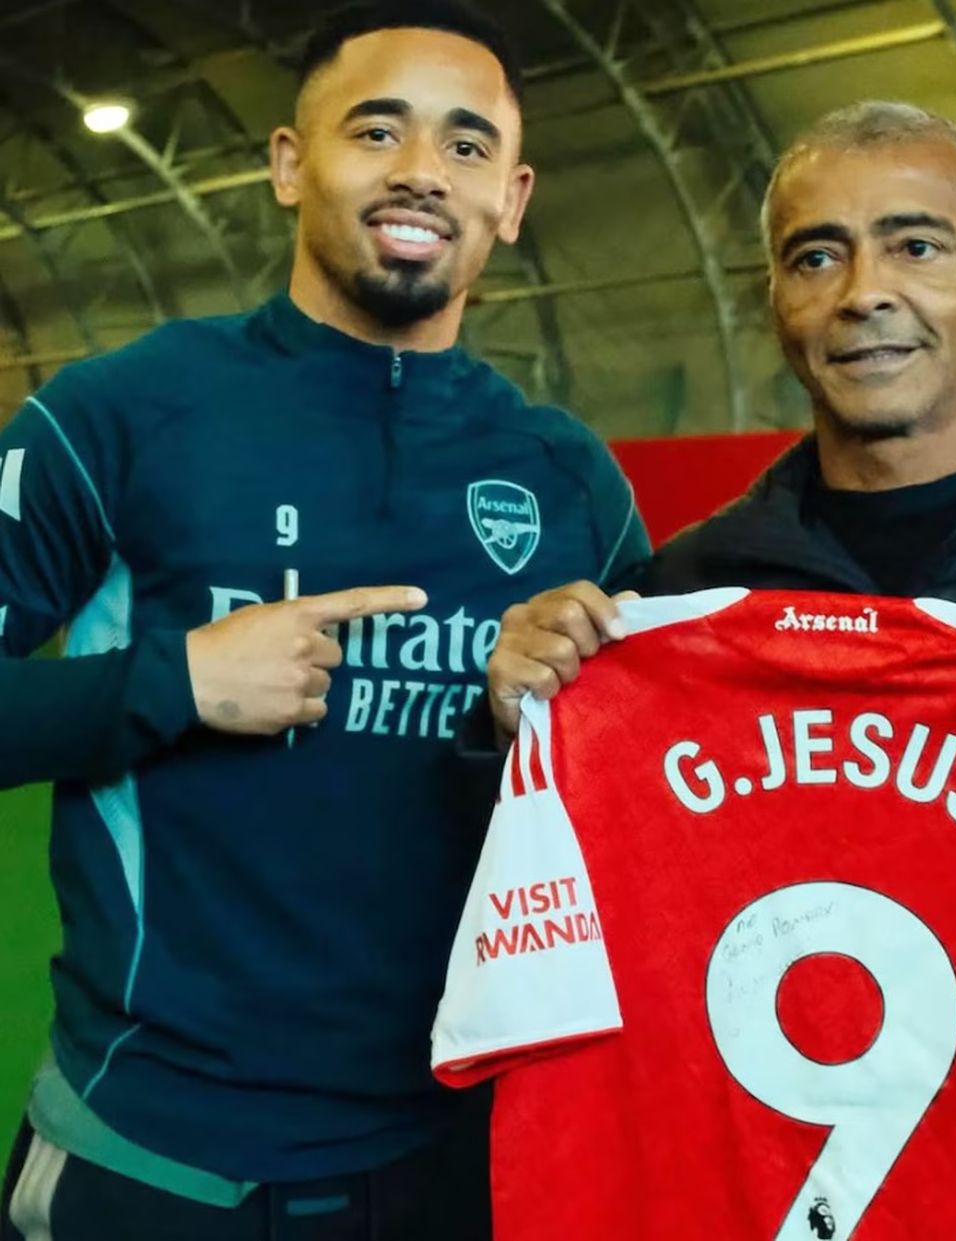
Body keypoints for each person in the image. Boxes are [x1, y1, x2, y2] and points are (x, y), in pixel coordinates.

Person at [484, 99, 956, 1229]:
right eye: (817, 255)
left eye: (916, 245)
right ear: (777, 300)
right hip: (763, 1196)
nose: (863, 290)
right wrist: (517, 724)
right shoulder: (680, 594)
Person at [0, 2, 648, 1237]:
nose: (422, 171)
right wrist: (176, 682)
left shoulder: (568, 478)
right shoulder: (121, 415)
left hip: (461, 1162)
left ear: (511, 199)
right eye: (377, 130)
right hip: (161, 1164)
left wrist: (524, 723)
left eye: (466, 145)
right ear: (292, 164)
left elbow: (658, 801)